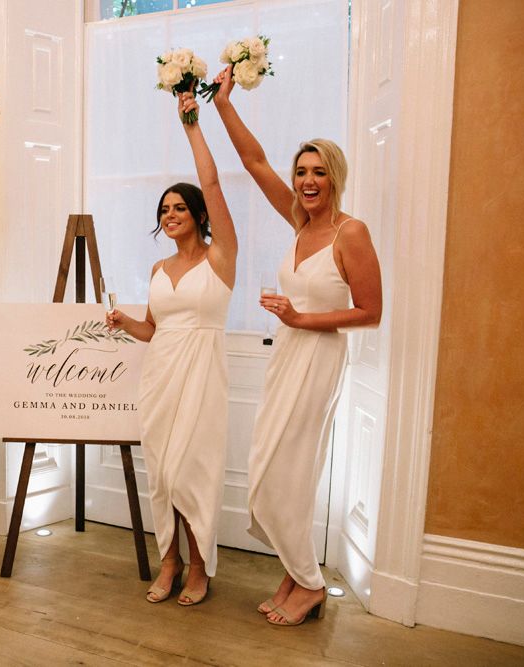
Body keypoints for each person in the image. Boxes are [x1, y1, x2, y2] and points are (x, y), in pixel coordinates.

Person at [209, 65, 382, 626]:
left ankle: (309, 584)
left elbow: (371, 312)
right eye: (302, 172)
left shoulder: (350, 232)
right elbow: (254, 161)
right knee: (271, 464)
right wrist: (223, 103)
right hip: (287, 355)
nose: (308, 181)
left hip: (318, 357)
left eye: (319, 173)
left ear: (336, 178)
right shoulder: (298, 222)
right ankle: (293, 572)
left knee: (291, 471)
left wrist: (301, 317)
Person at [106, 91, 238, 606]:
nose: (170, 214)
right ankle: (171, 559)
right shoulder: (158, 269)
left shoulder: (221, 256)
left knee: (192, 471)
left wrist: (191, 126)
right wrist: (125, 323)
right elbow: (153, 330)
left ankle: (200, 563)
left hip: (202, 375)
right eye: (164, 209)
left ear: (200, 214)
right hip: (160, 376)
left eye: (180, 207)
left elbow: (213, 182)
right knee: (162, 473)